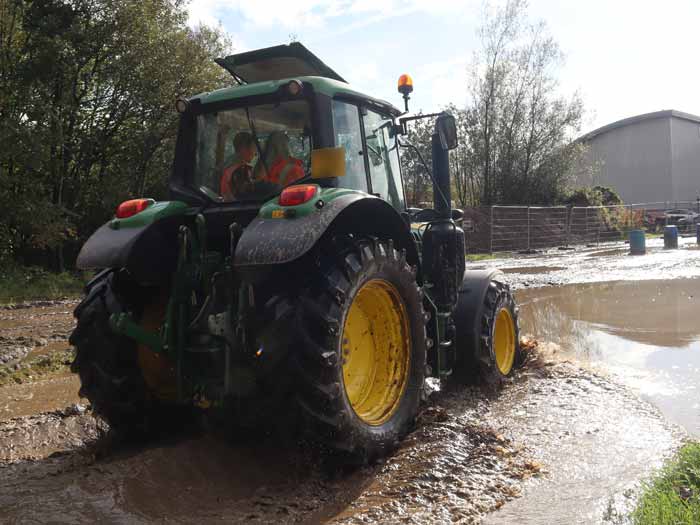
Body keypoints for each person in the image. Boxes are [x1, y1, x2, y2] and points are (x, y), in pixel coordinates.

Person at [220, 132, 256, 201]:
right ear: (243, 148)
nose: (255, 153)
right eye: (253, 147)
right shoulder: (239, 171)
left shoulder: (228, 166)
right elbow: (245, 198)